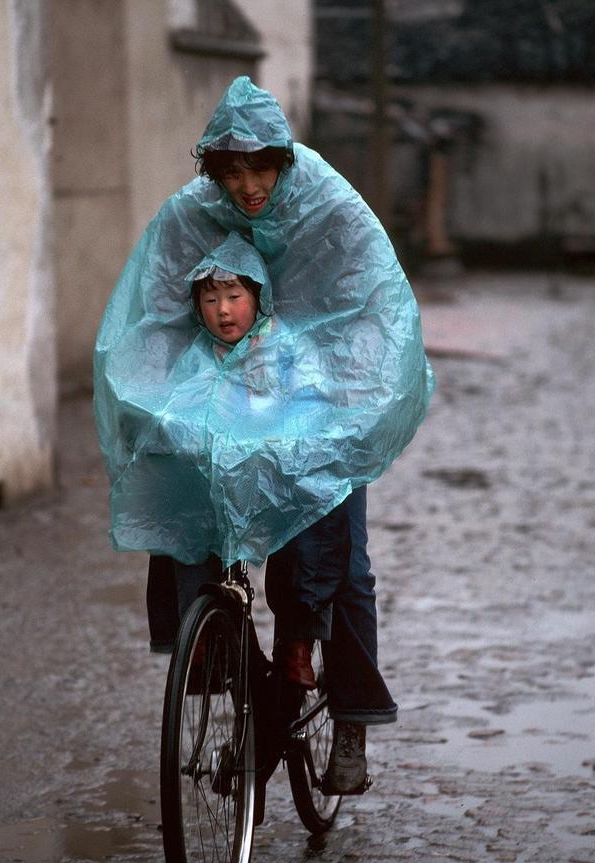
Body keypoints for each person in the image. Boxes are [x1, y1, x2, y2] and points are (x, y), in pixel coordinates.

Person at [94, 77, 435, 793]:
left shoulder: (331, 207)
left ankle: (351, 722)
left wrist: (346, 407)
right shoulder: (194, 213)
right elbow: (151, 313)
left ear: (285, 160)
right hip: (235, 400)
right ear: (213, 174)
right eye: (232, 173)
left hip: (322, 394)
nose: (249, 187)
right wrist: (154, 401)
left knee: (344, 560)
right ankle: (236, 670)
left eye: (261, 169)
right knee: (187, 519)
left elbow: (376, 309)